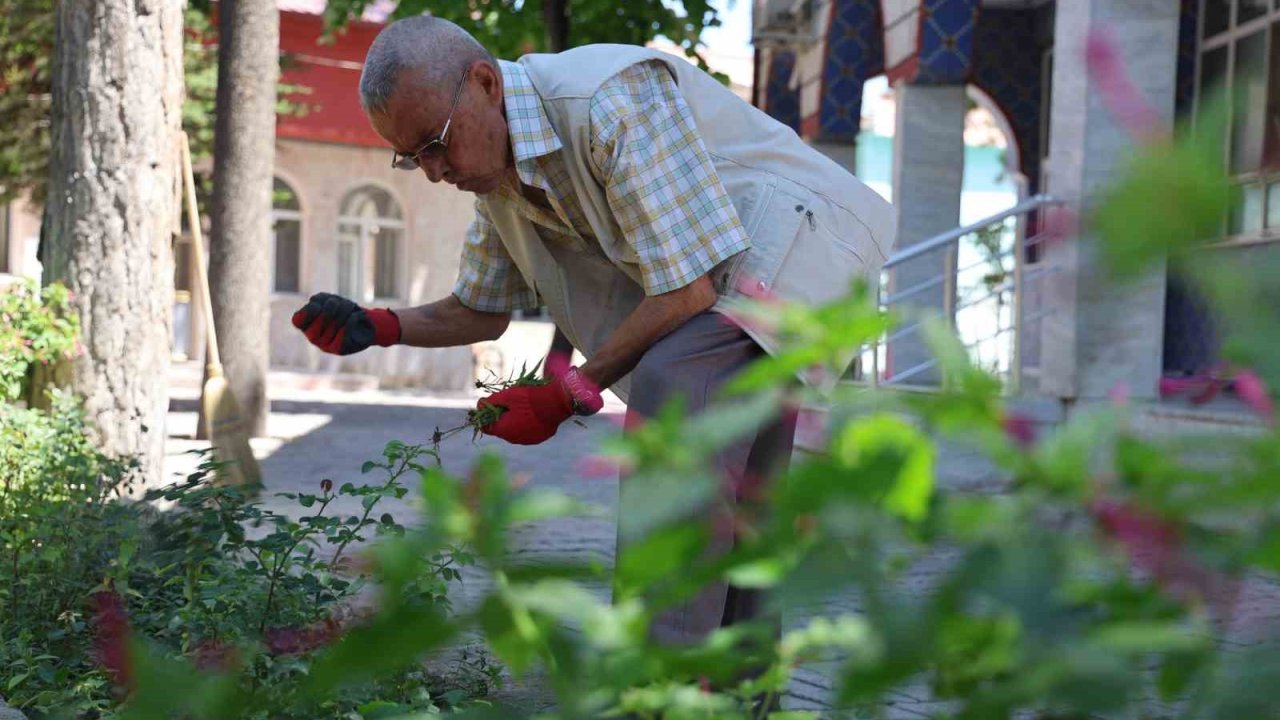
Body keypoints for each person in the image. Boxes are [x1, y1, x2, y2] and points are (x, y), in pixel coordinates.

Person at [291, 16, 894, 643]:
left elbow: (689, 286)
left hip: (800, 241)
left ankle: (656, 692)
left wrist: (568, 391)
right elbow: (480, 307)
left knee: (676, 390)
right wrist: (378, 325)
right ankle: (733, 696)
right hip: (735, 279)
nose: (435, 172)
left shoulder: (609, 100)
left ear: (485, 84)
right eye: (412, 158)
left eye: (436, 144)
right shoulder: (497, 174)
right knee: (746, 520)